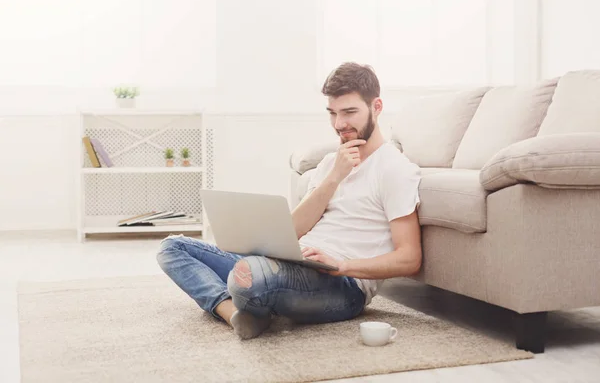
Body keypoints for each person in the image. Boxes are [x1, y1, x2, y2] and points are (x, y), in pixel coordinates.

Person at [157, 62, 422, 340]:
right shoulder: (332, 163)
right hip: (294, 263)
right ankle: (234, 313)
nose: (339, 124)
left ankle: (250, 294)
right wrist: (334, 177)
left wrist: (342, 265)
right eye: (332, 113)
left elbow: (410, 258)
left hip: (342, 285)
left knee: (249, 275)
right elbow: (294, 229)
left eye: (349, 112)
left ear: (376, 107)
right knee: (173, 248)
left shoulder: (394, 169)